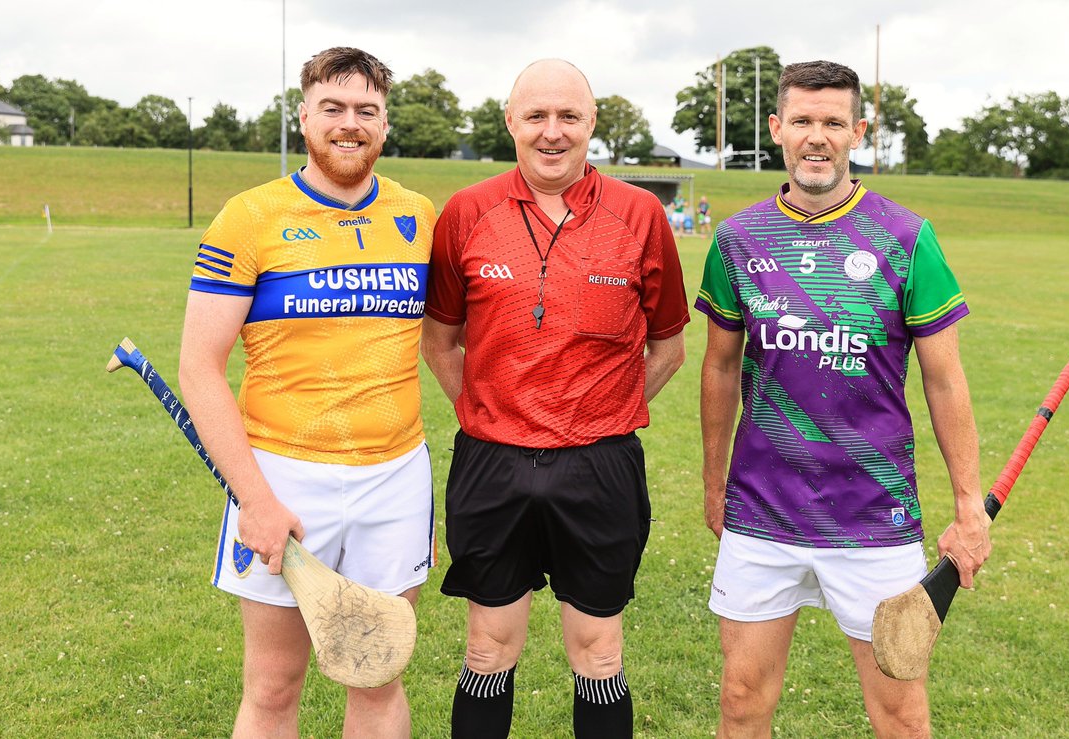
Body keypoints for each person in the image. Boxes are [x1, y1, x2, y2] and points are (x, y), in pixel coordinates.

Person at [696, 60, 991, 737]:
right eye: (802, 120)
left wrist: (969, 505)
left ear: (859, 131)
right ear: (777, 129)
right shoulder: (739, 240)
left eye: (833, 122)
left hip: (874, 515)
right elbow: (718, 368)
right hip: (762, 512)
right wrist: (715, 480)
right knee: (742, 699)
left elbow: (945, 379)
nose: (817, 136)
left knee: (901, 715)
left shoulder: (909, 238)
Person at [420, 58, 690, 739]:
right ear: (510, 121)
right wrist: (489, 410)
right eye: (536, 115)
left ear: (592, 123)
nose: (552, 131)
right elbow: (440, 342)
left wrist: (601, 412)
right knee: (487, 648)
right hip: (492, 462)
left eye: (569, 116)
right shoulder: (465, 212)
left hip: (599, 465)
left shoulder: (641, 214)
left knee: (598, 652)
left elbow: (668, 347)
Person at [178, 47, 436, 738]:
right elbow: (200, 367)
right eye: (333, 108)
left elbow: (449, 339)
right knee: (271, 683)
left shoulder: (419, 216)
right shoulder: (250, 216)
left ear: (384, 124)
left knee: (376, 672)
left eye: (366, 111)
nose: (349, 124)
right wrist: (256, 500)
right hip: (283, 477)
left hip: (394, 478)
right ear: (304, 116)